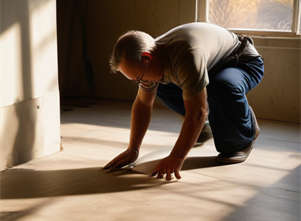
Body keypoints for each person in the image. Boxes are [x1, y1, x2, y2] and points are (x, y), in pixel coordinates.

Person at [104, 22, 264, 180]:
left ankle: (242, 137)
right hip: (208, 66)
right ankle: (205, 127)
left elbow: (198, 112)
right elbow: (144, 103)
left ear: (147, 58)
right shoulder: (151, 57)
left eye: (138, 78)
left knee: (221, 87)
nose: (140, 82)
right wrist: (133, 149)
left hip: (241, 61)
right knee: (160, 84)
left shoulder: (186, 55)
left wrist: (177, 156)